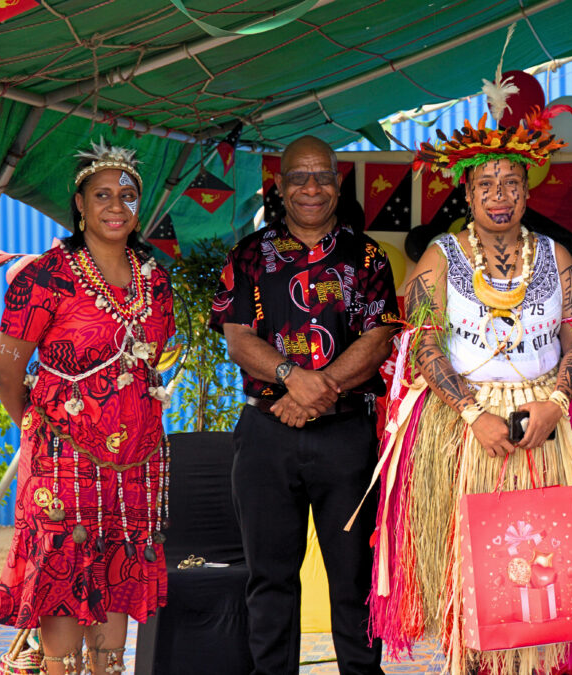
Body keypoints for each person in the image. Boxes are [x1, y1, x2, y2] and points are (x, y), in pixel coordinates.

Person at [361, 114, 572, 675]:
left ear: (527, 190)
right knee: (472, 577)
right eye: (487, 186)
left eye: (512, 184)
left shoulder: (557, 256)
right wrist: (472, 414)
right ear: (466, 192)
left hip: (546, 424)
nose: (500, 197)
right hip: (464, 430)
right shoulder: (440, 258)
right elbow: (423, 344)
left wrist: (556, 404)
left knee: (546, 571)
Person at [210, 135, 399, 675]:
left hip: (346, 439)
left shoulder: (367, 256)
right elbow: (239, 338)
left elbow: (379, 338)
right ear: (280, 186)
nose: (311, 187)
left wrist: (316, 396)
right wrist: (294, 378)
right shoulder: (247, 255)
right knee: (269, 577)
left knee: (355, 578)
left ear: (338, 185)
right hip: (266, 435)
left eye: (322, 176)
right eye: (299, 177)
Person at [0, 139, 175, 675]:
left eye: (127, 195)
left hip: (134, 463)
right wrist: (40, 429)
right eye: (102, 194)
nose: (116, 206)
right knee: (63, 570)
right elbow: (7, 369)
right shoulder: (45, 276)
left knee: (118, 565)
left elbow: (149, 362)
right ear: (80, 204)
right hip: (62, 459)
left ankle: (108, 669)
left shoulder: (154, 280)